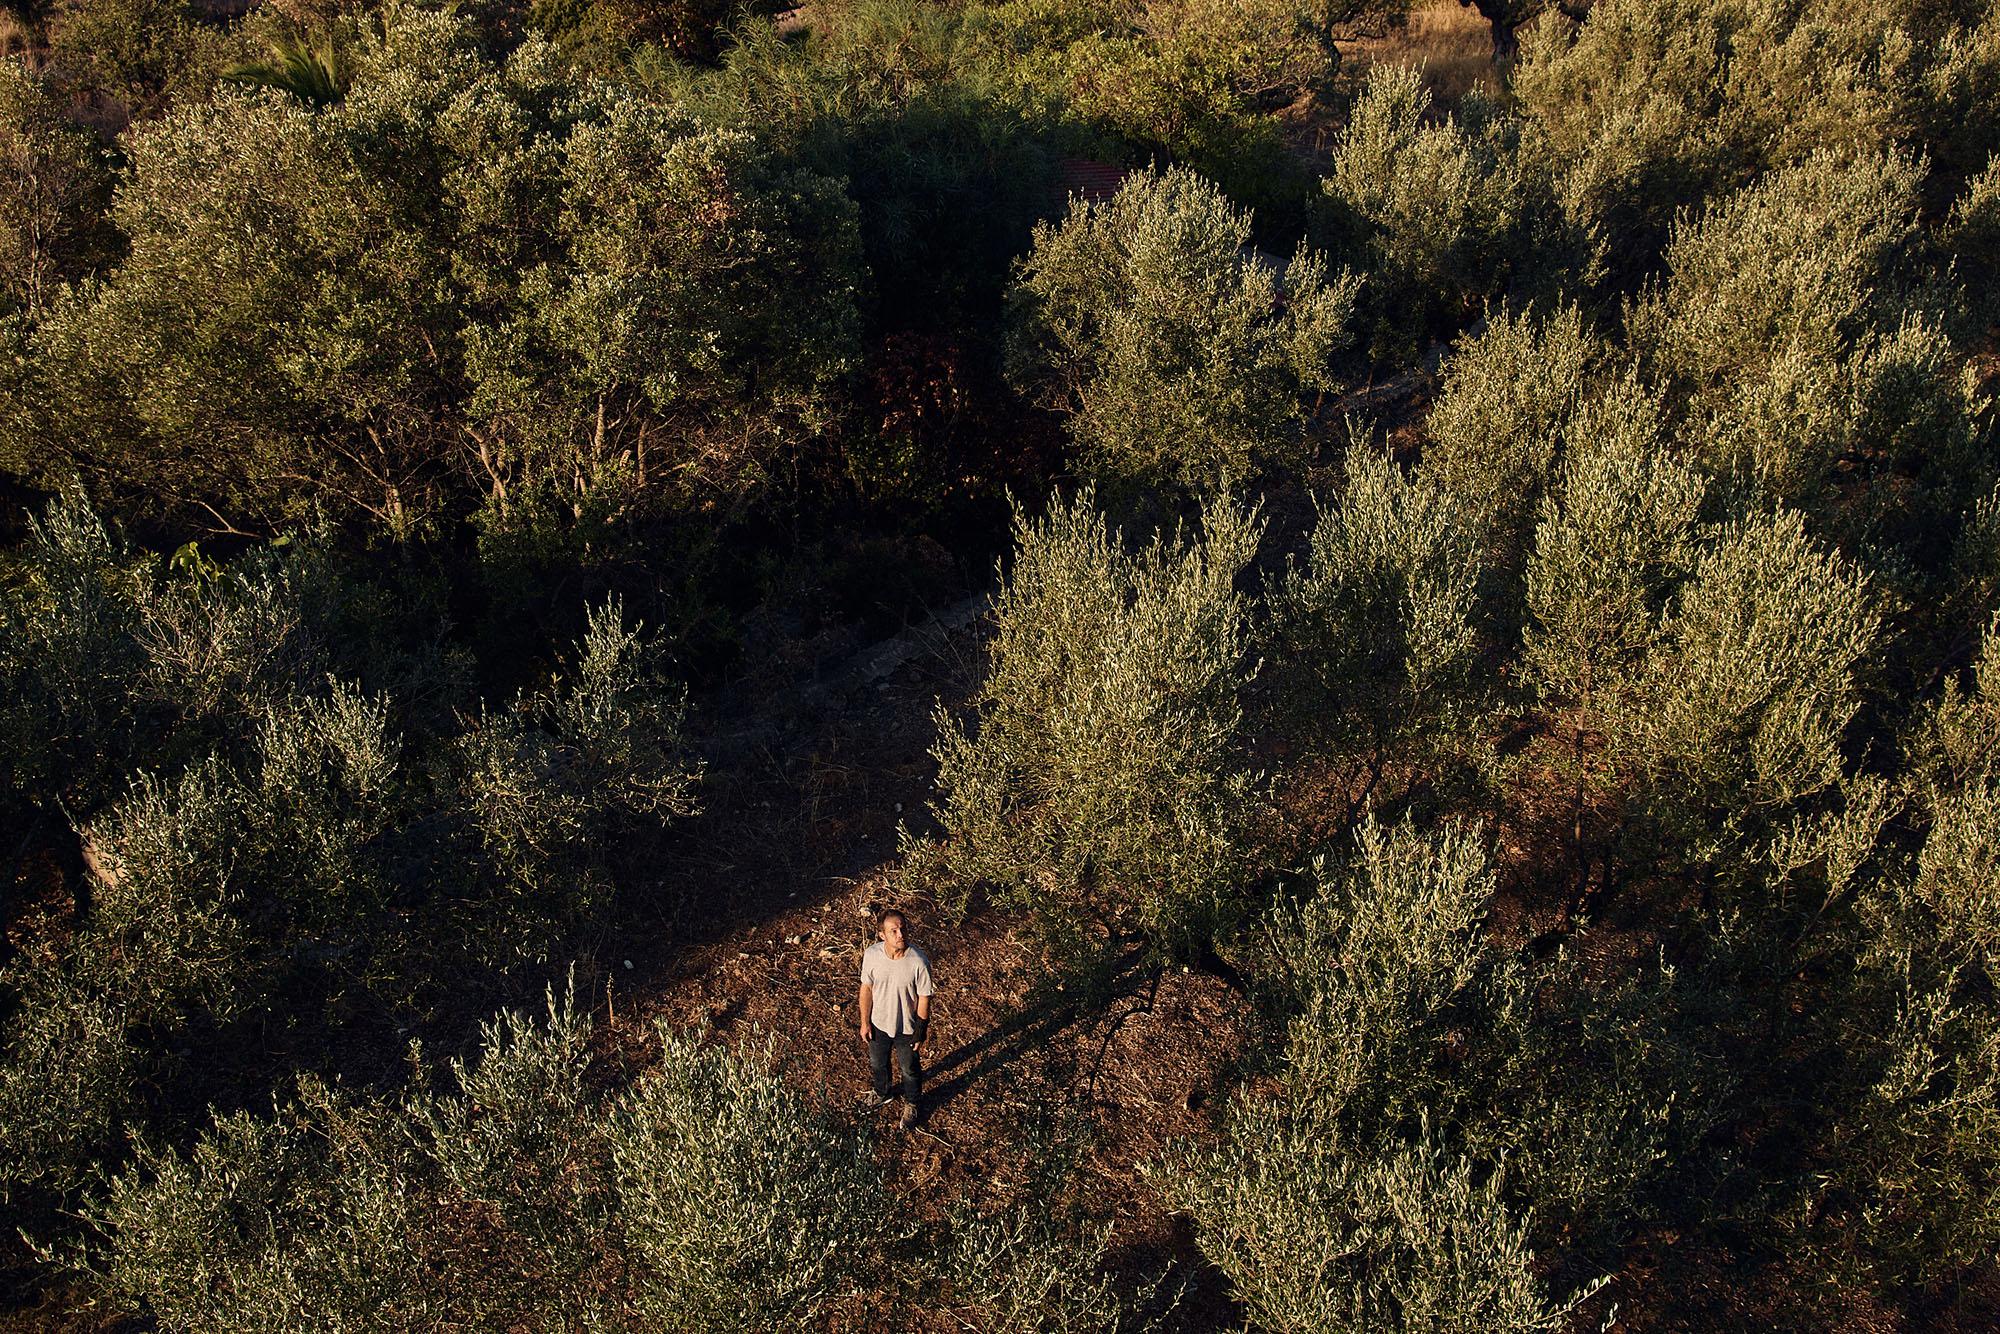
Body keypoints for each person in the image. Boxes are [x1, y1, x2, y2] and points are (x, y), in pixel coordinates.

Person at [857, 908, 935, 1129]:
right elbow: (866, 988)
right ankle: (882, 1092)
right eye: (894, 931)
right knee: (878, 1063)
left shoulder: (918, 961)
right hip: (878, 1024)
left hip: (906, 1029)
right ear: (882, 935)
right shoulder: (872, 955)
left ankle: (912, 1103)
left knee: (909, 1069)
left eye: (903, 929)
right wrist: (865, 1022)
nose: (901, 934)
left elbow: (924, 997)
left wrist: (920, 1030)